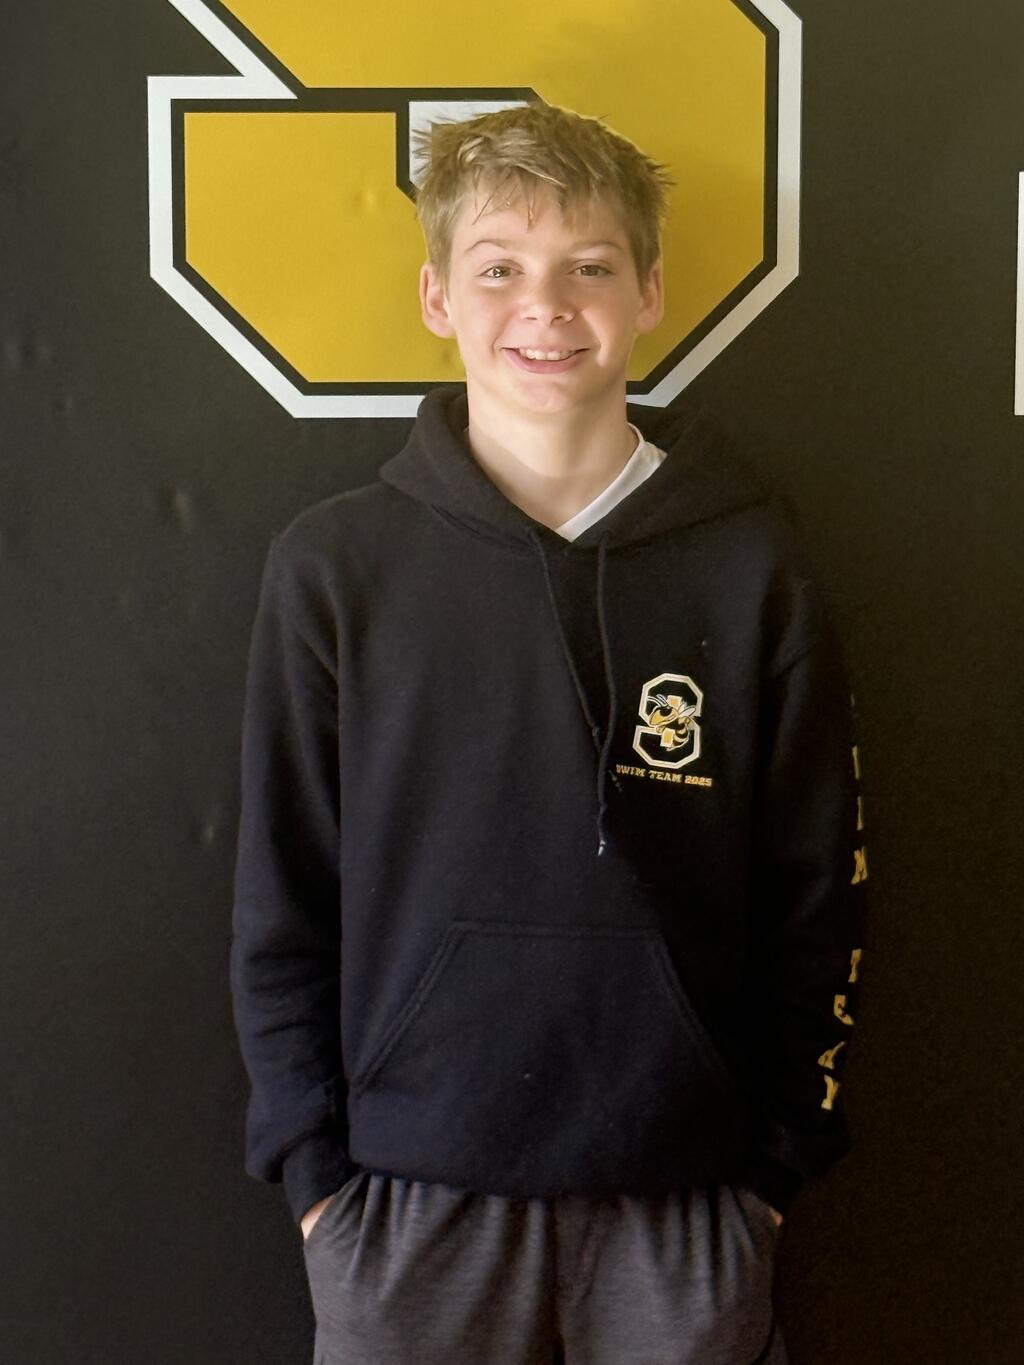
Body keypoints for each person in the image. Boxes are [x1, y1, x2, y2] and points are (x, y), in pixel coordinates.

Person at [230, 102, 868, 1365]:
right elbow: (281, 897)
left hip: (686, 1202)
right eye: (499, 270)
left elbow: (818, 891)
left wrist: (770, 1169)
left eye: (589, 267)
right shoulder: (336, 570)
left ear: (648, 293)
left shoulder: (752, 565)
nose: (546, 307)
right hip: (405, 1207)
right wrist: (315, 1180)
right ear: (436, 297)